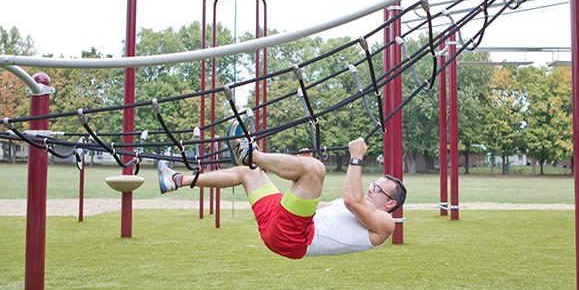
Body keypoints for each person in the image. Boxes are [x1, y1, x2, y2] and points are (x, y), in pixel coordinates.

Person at [157, 118, 406, 259]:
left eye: (377, 189)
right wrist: (295, 181)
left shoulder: (385, 224)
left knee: (315, 169)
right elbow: (312, 207)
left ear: (390, 203)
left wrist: (356, 156)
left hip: (295, 238)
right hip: (282, 223)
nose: (371, 189)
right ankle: (177, 180)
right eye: (373, 185)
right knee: (249, 174)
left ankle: (252, 154)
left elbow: (352, 198)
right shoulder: (352, 209)